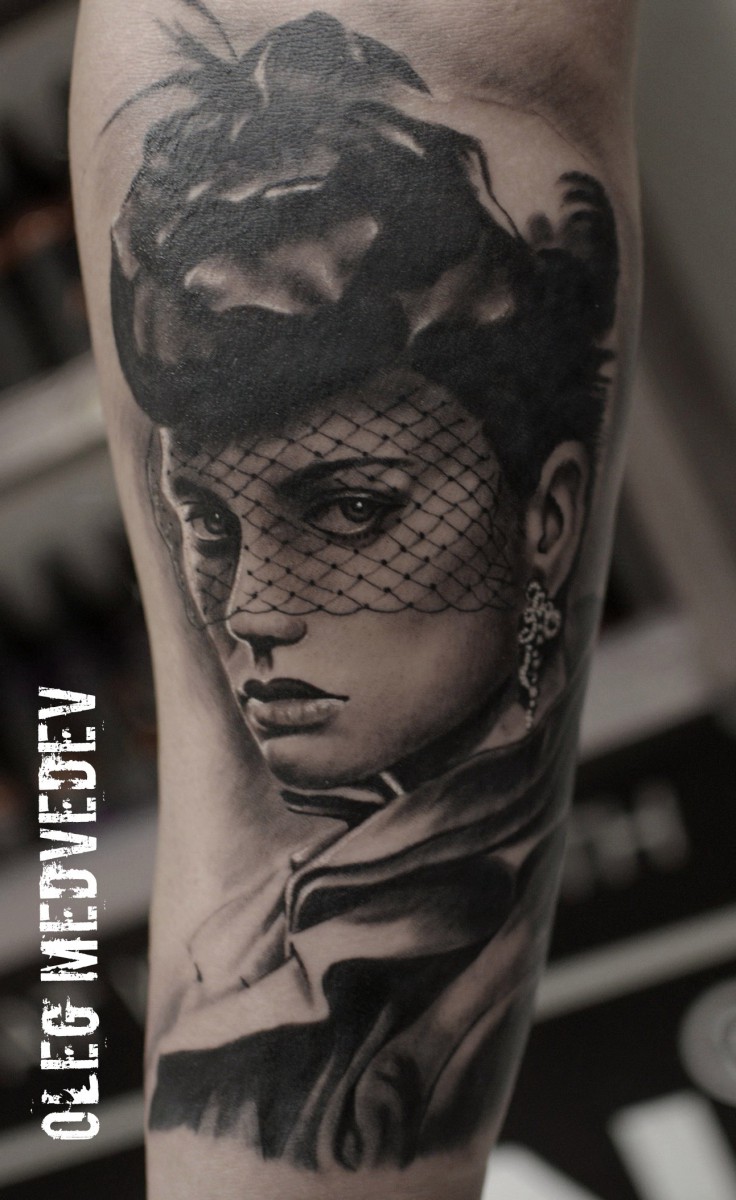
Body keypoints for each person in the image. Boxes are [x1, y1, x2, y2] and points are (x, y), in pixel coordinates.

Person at [70, 1, 638, 1195]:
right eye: (209, 525)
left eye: (351, 510)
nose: (253, 611)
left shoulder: (376, 992)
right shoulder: (277, 938)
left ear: (544, 513)